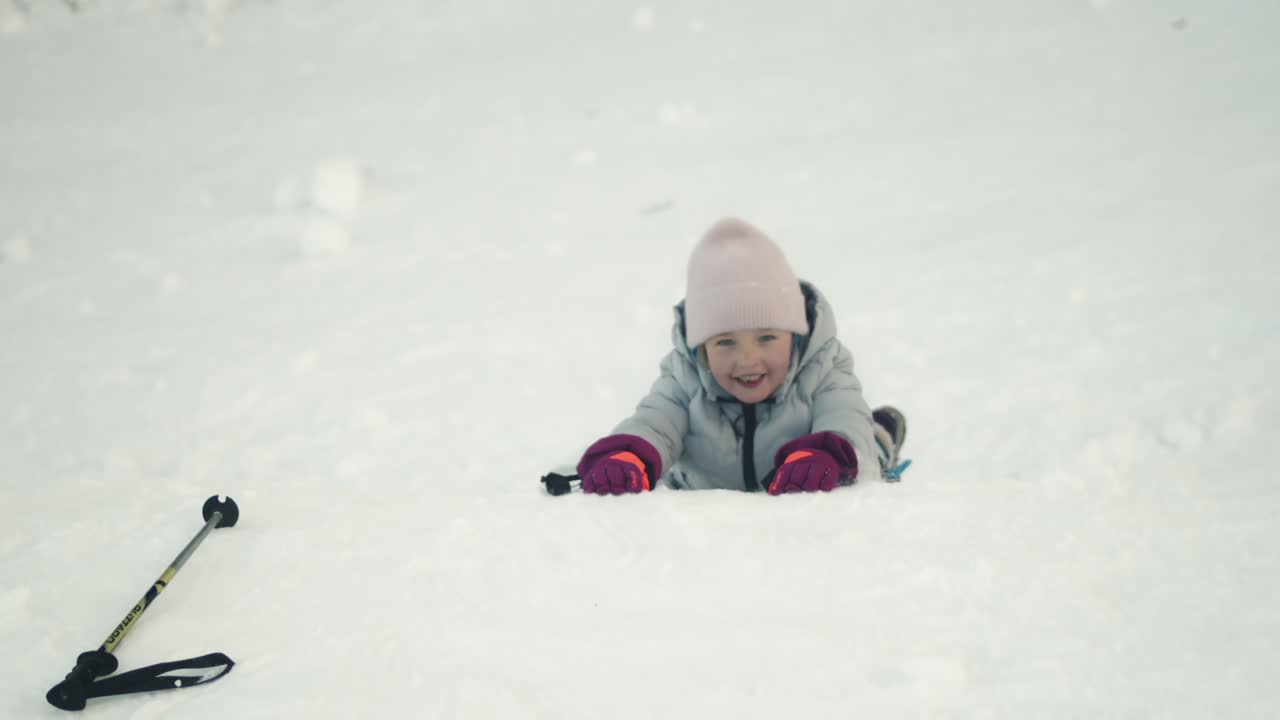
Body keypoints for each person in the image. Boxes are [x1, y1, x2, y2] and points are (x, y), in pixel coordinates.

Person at [575, 217, 907, 495]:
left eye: (766, 338)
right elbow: (655, 422)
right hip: (707, 498)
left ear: (794, 336)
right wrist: (628, 455)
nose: (747, 360)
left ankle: (881, 436)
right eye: (725, 343)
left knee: (863, 450)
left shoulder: (821, 368)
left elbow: (842, 416)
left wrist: (826, 454)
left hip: (816, 469)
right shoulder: (685, 378)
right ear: (700, 347)